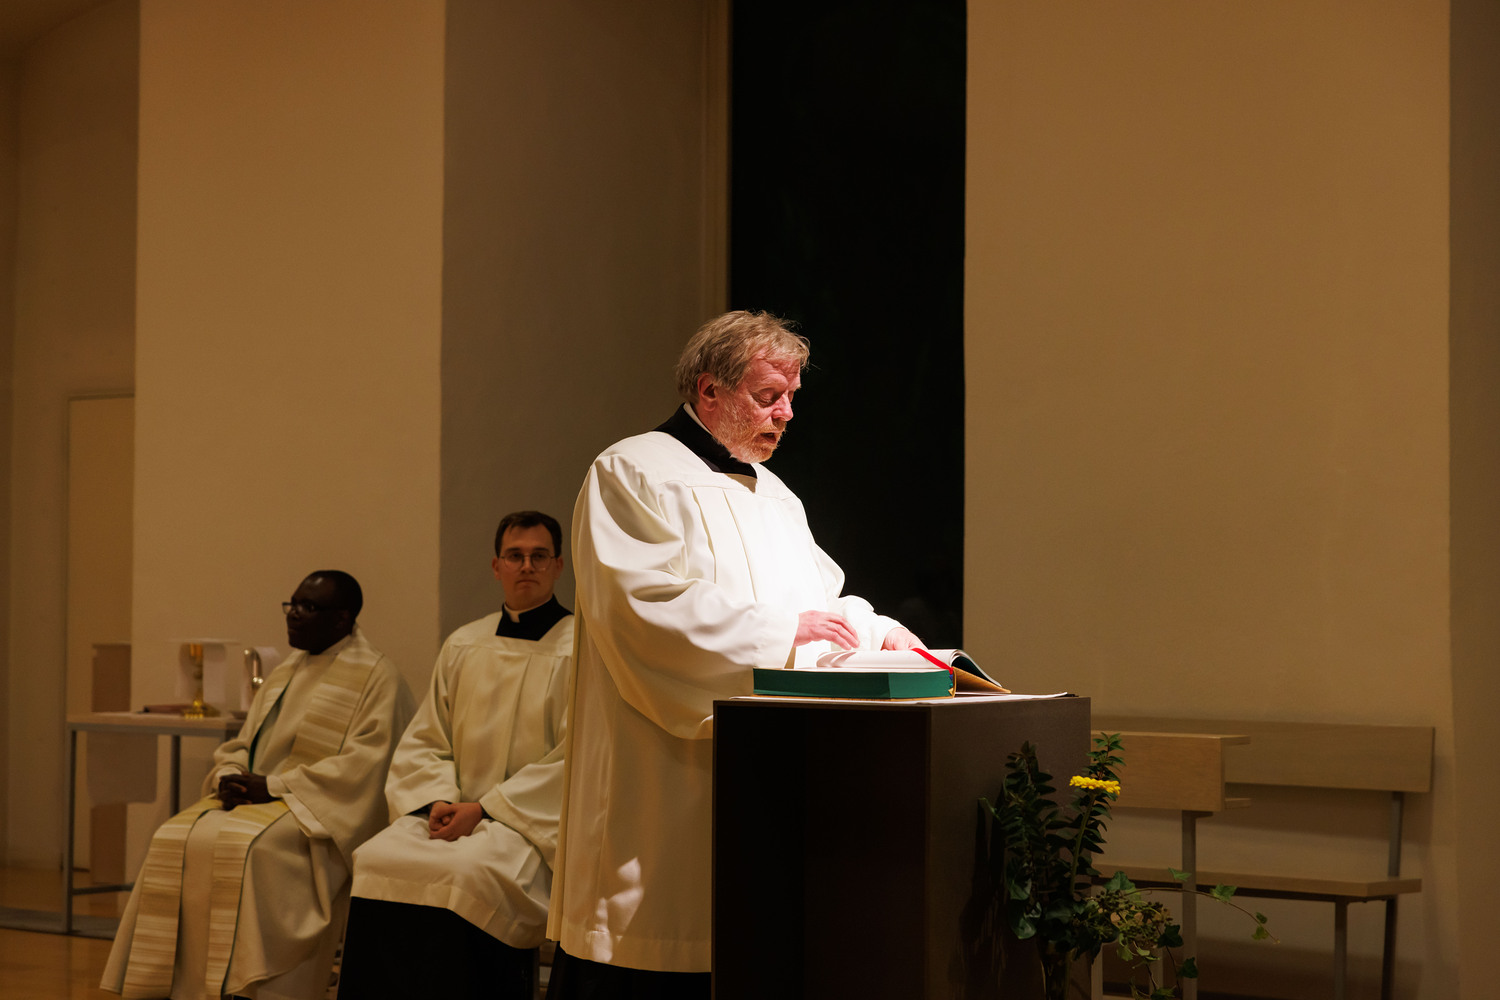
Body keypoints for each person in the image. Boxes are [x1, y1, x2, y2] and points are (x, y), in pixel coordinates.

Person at [547, 310, 922, 997]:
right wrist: (777, 634)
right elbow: (643, 609)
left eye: (791, 398)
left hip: (764, 763)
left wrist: (877, 629)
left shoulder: (776, 495)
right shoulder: (632, 470)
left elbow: (820, 604)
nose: (785, 414)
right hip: (663, 764)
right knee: (663, 939)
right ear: (709, 389)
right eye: (768, 396)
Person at [101, 571, 414, 1000]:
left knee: (248, 849)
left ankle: (250, 987)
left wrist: (277, 786)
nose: (294, 615)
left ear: (342, 619)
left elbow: (366, 768)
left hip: (316, 815)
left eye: (308, 607)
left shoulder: (379, 678)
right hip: (262, 799)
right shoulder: (287, 672)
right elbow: (243, 743)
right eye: (292, 605)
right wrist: (229, 775)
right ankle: (181, 988)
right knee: (173, 837)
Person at [338, 511, 574, 1000]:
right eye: (515, 556)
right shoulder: (465, 643)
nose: (526, 566)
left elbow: (572, 762)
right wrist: (438, 801)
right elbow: (428, 738)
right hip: (450, 813)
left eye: (538, 556)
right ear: (496, 566)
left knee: (467, 876)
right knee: (377, 859)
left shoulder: (581, 650)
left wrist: (486, 810)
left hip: (526, 825)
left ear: (558, 565)